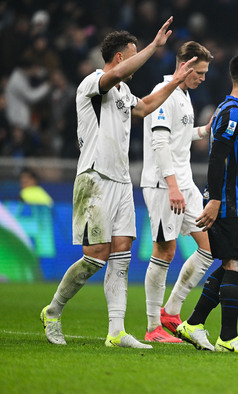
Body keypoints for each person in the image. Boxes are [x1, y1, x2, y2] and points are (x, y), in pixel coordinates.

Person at [40, 17, 197, 348]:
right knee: (96, 256)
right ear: (121, 57)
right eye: (135, 53)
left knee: (122, 253)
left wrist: (175, 82)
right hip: (94, 178)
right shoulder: (93, 83)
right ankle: (53, 311)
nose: (138, 59)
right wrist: (155, 47)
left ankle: (116, 332)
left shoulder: (124, 92)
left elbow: (145, 108)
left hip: (122, 182)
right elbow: (116, 76)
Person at [175, 55, 238, 354]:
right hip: (229, 202)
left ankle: (193, 323)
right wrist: (214, 199)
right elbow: (217, 157)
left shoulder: (237, 111)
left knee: (230, 263)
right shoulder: (235, 112)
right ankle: (227, 337)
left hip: (234, 199)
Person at [141, 41, 214, 344]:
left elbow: (179, 137)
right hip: (163, 185)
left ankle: (171, 311)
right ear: (184, 67)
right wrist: (172, 186)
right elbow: (159, 143)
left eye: (205, 72)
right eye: (199, 72)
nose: (203, 77)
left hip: (185, 184)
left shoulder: (184, 95)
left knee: (210, 249)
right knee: (164, 251)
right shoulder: (165, 94)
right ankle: (152, 327)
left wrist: (204, 130)